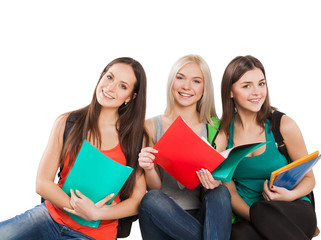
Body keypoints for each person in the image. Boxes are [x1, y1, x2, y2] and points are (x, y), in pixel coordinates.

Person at [0, 57, 147, 240]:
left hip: (96, 233)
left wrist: (96, 214)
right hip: (49, 217)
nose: (110, 88)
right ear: (101, 77)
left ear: (131, 97)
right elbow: (43, 182)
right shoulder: (67, 122)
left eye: (123, 86)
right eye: (109, 77)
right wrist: (77, 207)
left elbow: (137, 199)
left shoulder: (135, 139)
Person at [219, 55, 317, 239]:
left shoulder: (283, 125)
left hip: (293, 208)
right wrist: (258, 220)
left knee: (262, 211)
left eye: (261, 84)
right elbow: (229, 191)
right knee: (237, 234)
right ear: (230, 91)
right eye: (246, 85)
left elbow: (310, 179)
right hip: (252, 215)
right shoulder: (224, 135)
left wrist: (289, 196)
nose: (257, 92)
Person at [137, 54, 232, 240]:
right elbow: (154, 187)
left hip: (202, 216)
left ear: (204, 89)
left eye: (196, 81)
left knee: (220, 191)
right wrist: (148, 168)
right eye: (180, 78)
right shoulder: (150, 126)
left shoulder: (215, 129)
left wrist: (215, 182)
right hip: (161, 216)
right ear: (171, 81)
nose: (186, 87)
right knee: (151, 198)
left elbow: (220, 187)